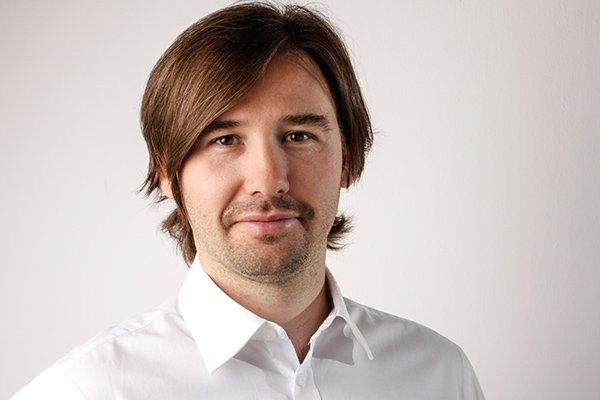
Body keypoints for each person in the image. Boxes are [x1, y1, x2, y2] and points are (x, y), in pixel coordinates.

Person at [12, 2, 484, 399]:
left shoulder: (441, 375)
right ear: (167, 174)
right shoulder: (82, 391)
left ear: (348, 160)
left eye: (298, 136)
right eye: (224, 140)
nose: (268, 180)